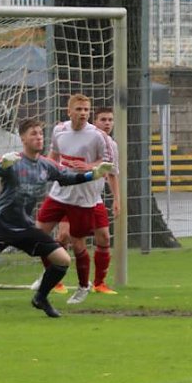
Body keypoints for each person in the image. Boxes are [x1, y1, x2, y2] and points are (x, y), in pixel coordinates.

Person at [0, 118, 113, 318]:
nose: (38, 137)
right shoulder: (12, 161)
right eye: (33, 134)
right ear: (23, 139)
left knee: (62, 260)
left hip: (25, 227)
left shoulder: (46, 165)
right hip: (1, 224)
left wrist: (92, 175)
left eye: (40, 134)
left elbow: (66, 177)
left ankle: (41, 298)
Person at [35, 94, 114, 305]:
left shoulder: (98, 136)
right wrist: (43, 172)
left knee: (78, 243)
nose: (83, 113)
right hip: (59, 193)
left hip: (83, 198)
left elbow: (106, 163)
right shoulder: (59, 130)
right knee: (38, 234)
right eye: (79, 109)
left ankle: (83, 286)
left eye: (86, 109)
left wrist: (89, 166)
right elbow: (53, 155)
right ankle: (51, 275)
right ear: (69, 111)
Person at [53, 107, 121, 294]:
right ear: (94, 121)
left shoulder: (111, 145)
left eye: (110, 120)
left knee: (104, 237)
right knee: (64, 236)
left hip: (93, 198)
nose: (107, 123)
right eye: (103, 120)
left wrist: (117, 200)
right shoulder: (79, 136)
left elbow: (112, 173)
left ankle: (99, 283)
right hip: (69, 196)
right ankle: (55, 280)